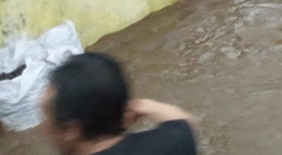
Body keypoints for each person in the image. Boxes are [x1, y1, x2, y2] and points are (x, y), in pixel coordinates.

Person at [43, 52, 197, 155]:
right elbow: (183, 120)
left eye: (47, 117)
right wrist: (141, 105)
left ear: (72, 130)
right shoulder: (174, 143)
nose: (45, 129)